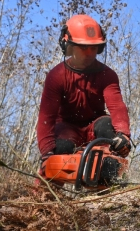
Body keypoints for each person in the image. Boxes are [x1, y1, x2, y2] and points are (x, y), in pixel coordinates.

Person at [36, 14, 131, 178]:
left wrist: (123, 134)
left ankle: (106, 182)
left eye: (93, 48)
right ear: (69, 46)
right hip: (66, 128)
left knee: (108, 127)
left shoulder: (107, 75)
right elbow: (46, 117)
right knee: (60, 148)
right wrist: (46, 152)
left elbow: (116, 106)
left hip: (94, 127)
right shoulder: (57, 76)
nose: (88, 53)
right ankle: (45, 195)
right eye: (83, 48)